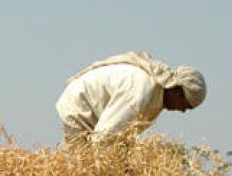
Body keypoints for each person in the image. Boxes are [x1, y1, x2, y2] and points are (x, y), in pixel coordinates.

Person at [55, 50, 207, 144]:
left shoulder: (154, 98)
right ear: (177, 91)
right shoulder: (141, 93)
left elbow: (122, 137)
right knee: (81, 167)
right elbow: (104, 137)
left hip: (93, 112)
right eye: (185, 105)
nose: (182, 111)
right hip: (80, 106)